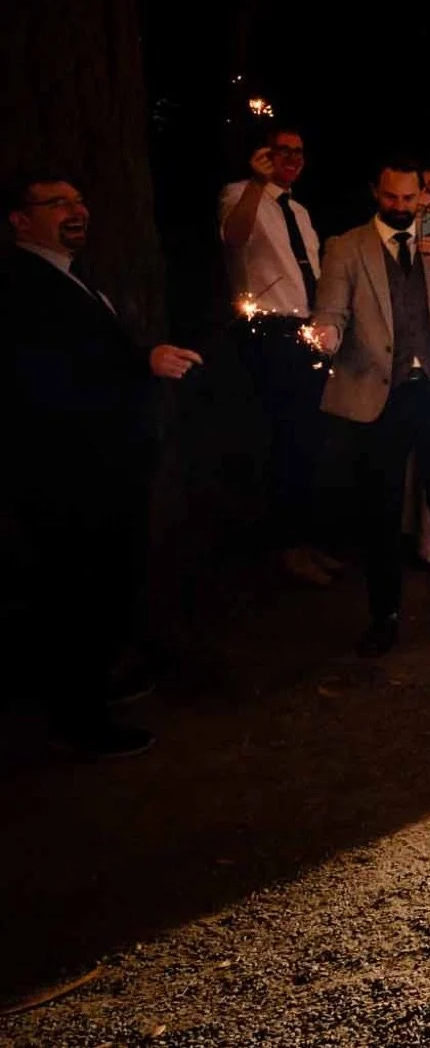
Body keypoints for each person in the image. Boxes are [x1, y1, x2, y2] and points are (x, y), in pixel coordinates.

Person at [3, 174, 203, 757]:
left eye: (78, 200)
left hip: (102, 465)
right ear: (19, 219)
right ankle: (81, 718)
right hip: (72, 472)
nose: (75, 211)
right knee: (79, 591)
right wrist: (145, 360)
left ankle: (93, 688)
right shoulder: (22, 283)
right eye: (56, 203)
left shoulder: (68, 277)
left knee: (100, 585)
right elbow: (52, 372)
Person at [308, 160, 430, 656]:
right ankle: (384, 617)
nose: (400, 207)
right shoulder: (345, 247)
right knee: (380, 511)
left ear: (422, 197)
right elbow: (331, 312)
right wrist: (326, 335)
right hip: (378, 394)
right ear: (376, 191)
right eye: (391, 197)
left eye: (409, 199)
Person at [218, 128, 337, 588]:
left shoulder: (301, 212)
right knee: (287, 436)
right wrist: (253, 184)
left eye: (299, 152)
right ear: (263, 154)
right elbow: (234, 237)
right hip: (269, 329)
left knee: (310, 437)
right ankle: (285, 546)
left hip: (307, 327)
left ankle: (305, 538)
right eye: (281, 150)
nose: (291, 158)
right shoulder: (239, 194)